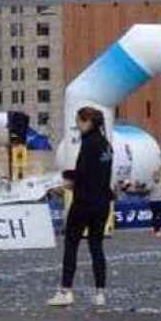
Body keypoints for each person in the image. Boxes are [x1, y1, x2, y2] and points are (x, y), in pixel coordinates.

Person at [49, 106, 114, 308]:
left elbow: (83, 173)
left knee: (71, 244)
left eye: (79, 121)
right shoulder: (106, 145)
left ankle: (66, 290)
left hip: (84, 201)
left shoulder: (89, 144)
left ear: (88, 122)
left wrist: (64, 182)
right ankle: (100, 293)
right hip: (102, 202)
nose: (77, 125)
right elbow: (98, 173)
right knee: (96, 246)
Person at [147, 167, 161, 237]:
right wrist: (153, 182)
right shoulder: (151, 183)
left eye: (158, 176)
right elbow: (148, 189)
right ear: (153, 177)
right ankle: (156, 229)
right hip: (153, 201)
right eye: (155, 176)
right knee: (155, 215)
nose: (157, 177)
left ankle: (157, 228)